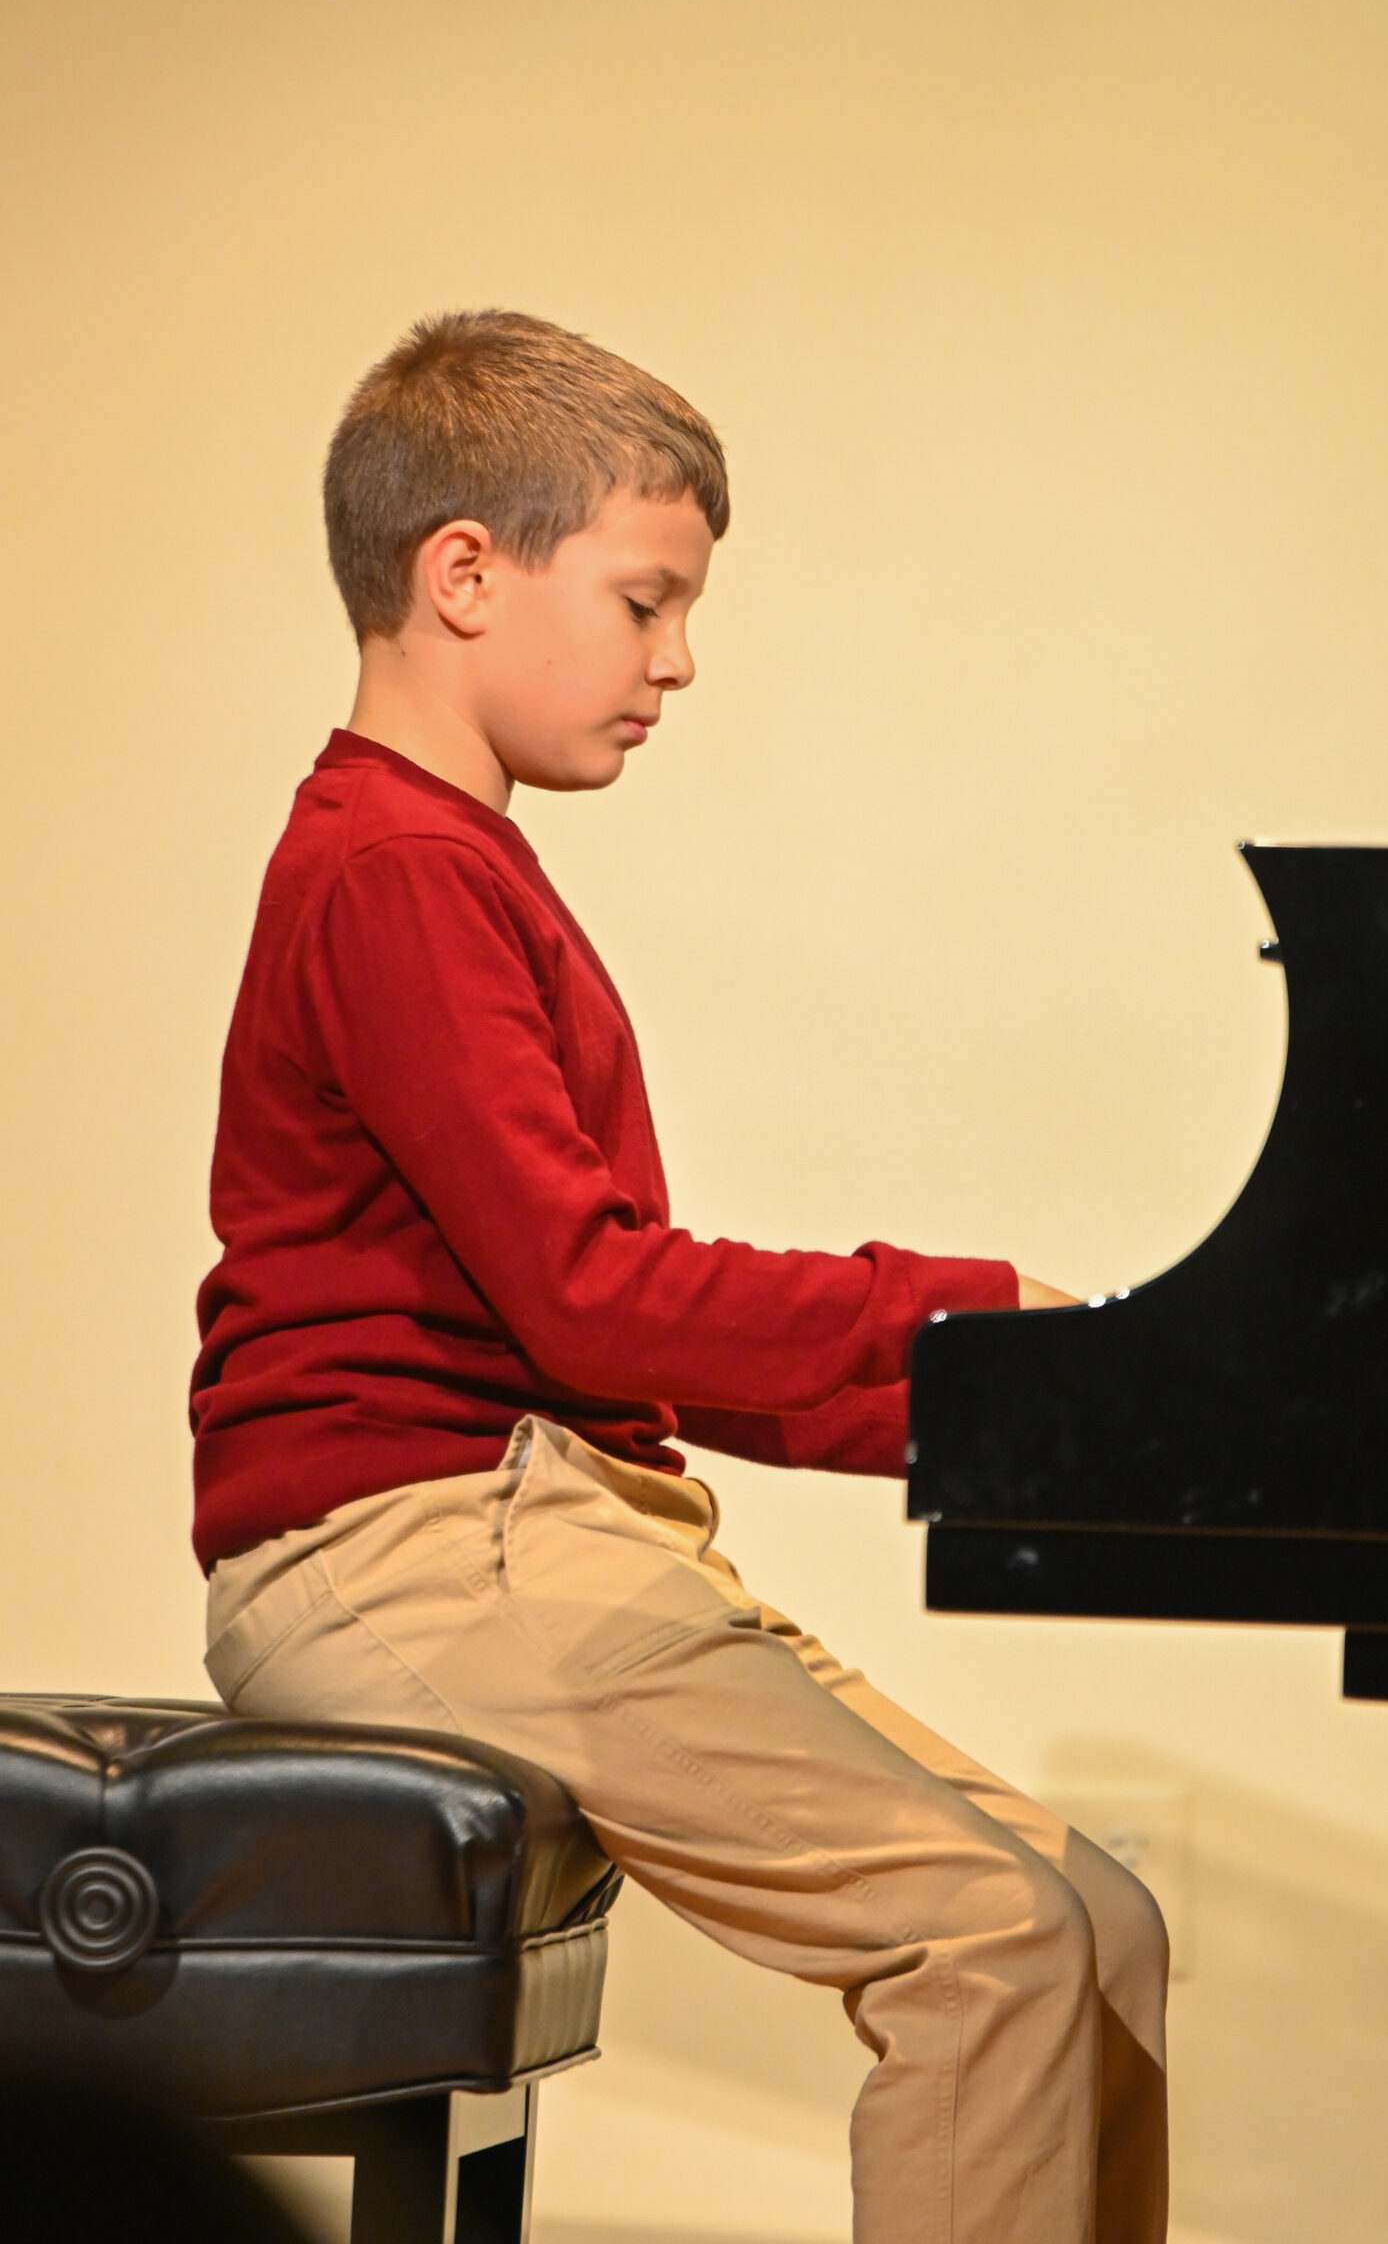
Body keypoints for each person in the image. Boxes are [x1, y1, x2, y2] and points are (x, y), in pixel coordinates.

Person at [192, 310, 1168, 2244]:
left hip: (532, 1522)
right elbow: (595, 1299)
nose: (679, 660)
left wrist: (1003, 1416)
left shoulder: (453, 863)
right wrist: (973, 1316)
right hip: (410, 1549)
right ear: (463, 574)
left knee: (1099, 1923)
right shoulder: (395, 871)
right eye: (646, 601)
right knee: (995, 1939)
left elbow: (608, 1343)